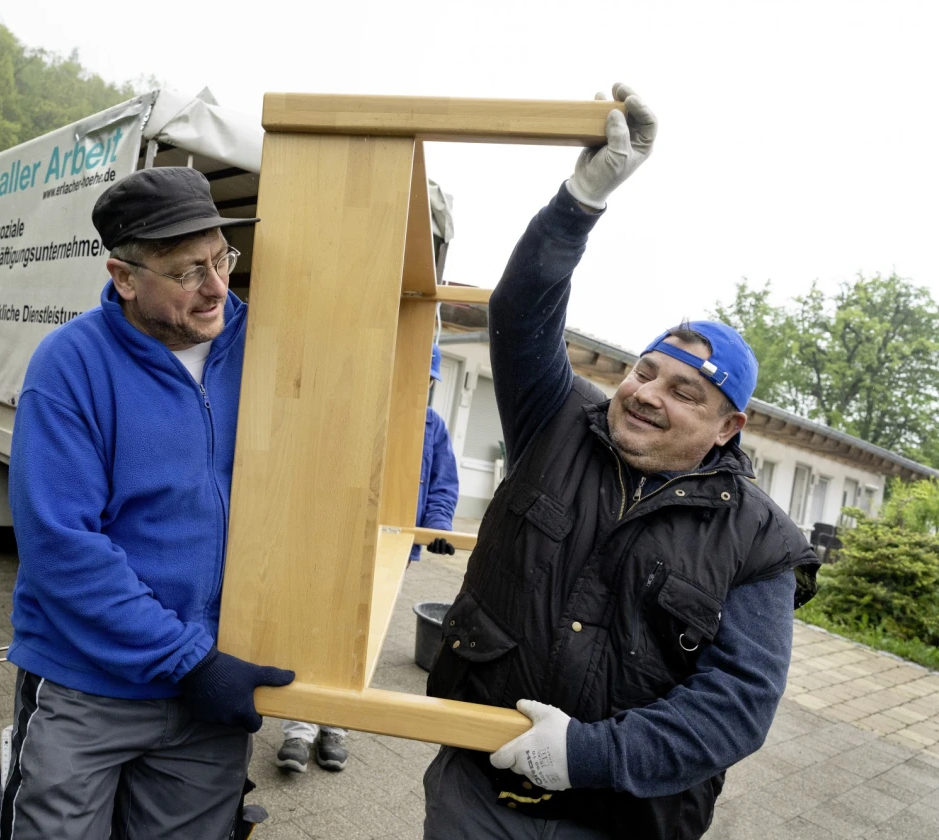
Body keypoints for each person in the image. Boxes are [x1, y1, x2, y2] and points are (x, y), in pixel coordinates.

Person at [422, 85, 818, 840]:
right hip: (477, 794)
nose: (646, 394)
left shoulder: (761, 543)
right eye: (645, 371)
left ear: (728, 428)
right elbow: (521, 311)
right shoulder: (556, 421)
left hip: (620, 822)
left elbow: (737, 705)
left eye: (683, 393)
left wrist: (587, 755)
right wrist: (580, 201)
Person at [0, 166, 295, 840]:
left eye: (222, 258)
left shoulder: (267, 348)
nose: (217, 287)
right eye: (189, 271)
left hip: (209, 695)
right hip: (87, 685)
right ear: (124, 277)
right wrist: (189, 661)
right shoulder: (69, 365)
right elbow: (60, 546)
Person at [277, 346, 461, 773]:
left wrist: (437, 528)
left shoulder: (432, 427)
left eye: (426, 382)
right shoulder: (357, 412)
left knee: (359, 637)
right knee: (316, 629)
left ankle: (336, 724)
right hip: (337, 540)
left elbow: (442, 486)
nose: (417, 388)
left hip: (391, 550)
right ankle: (299, 728)